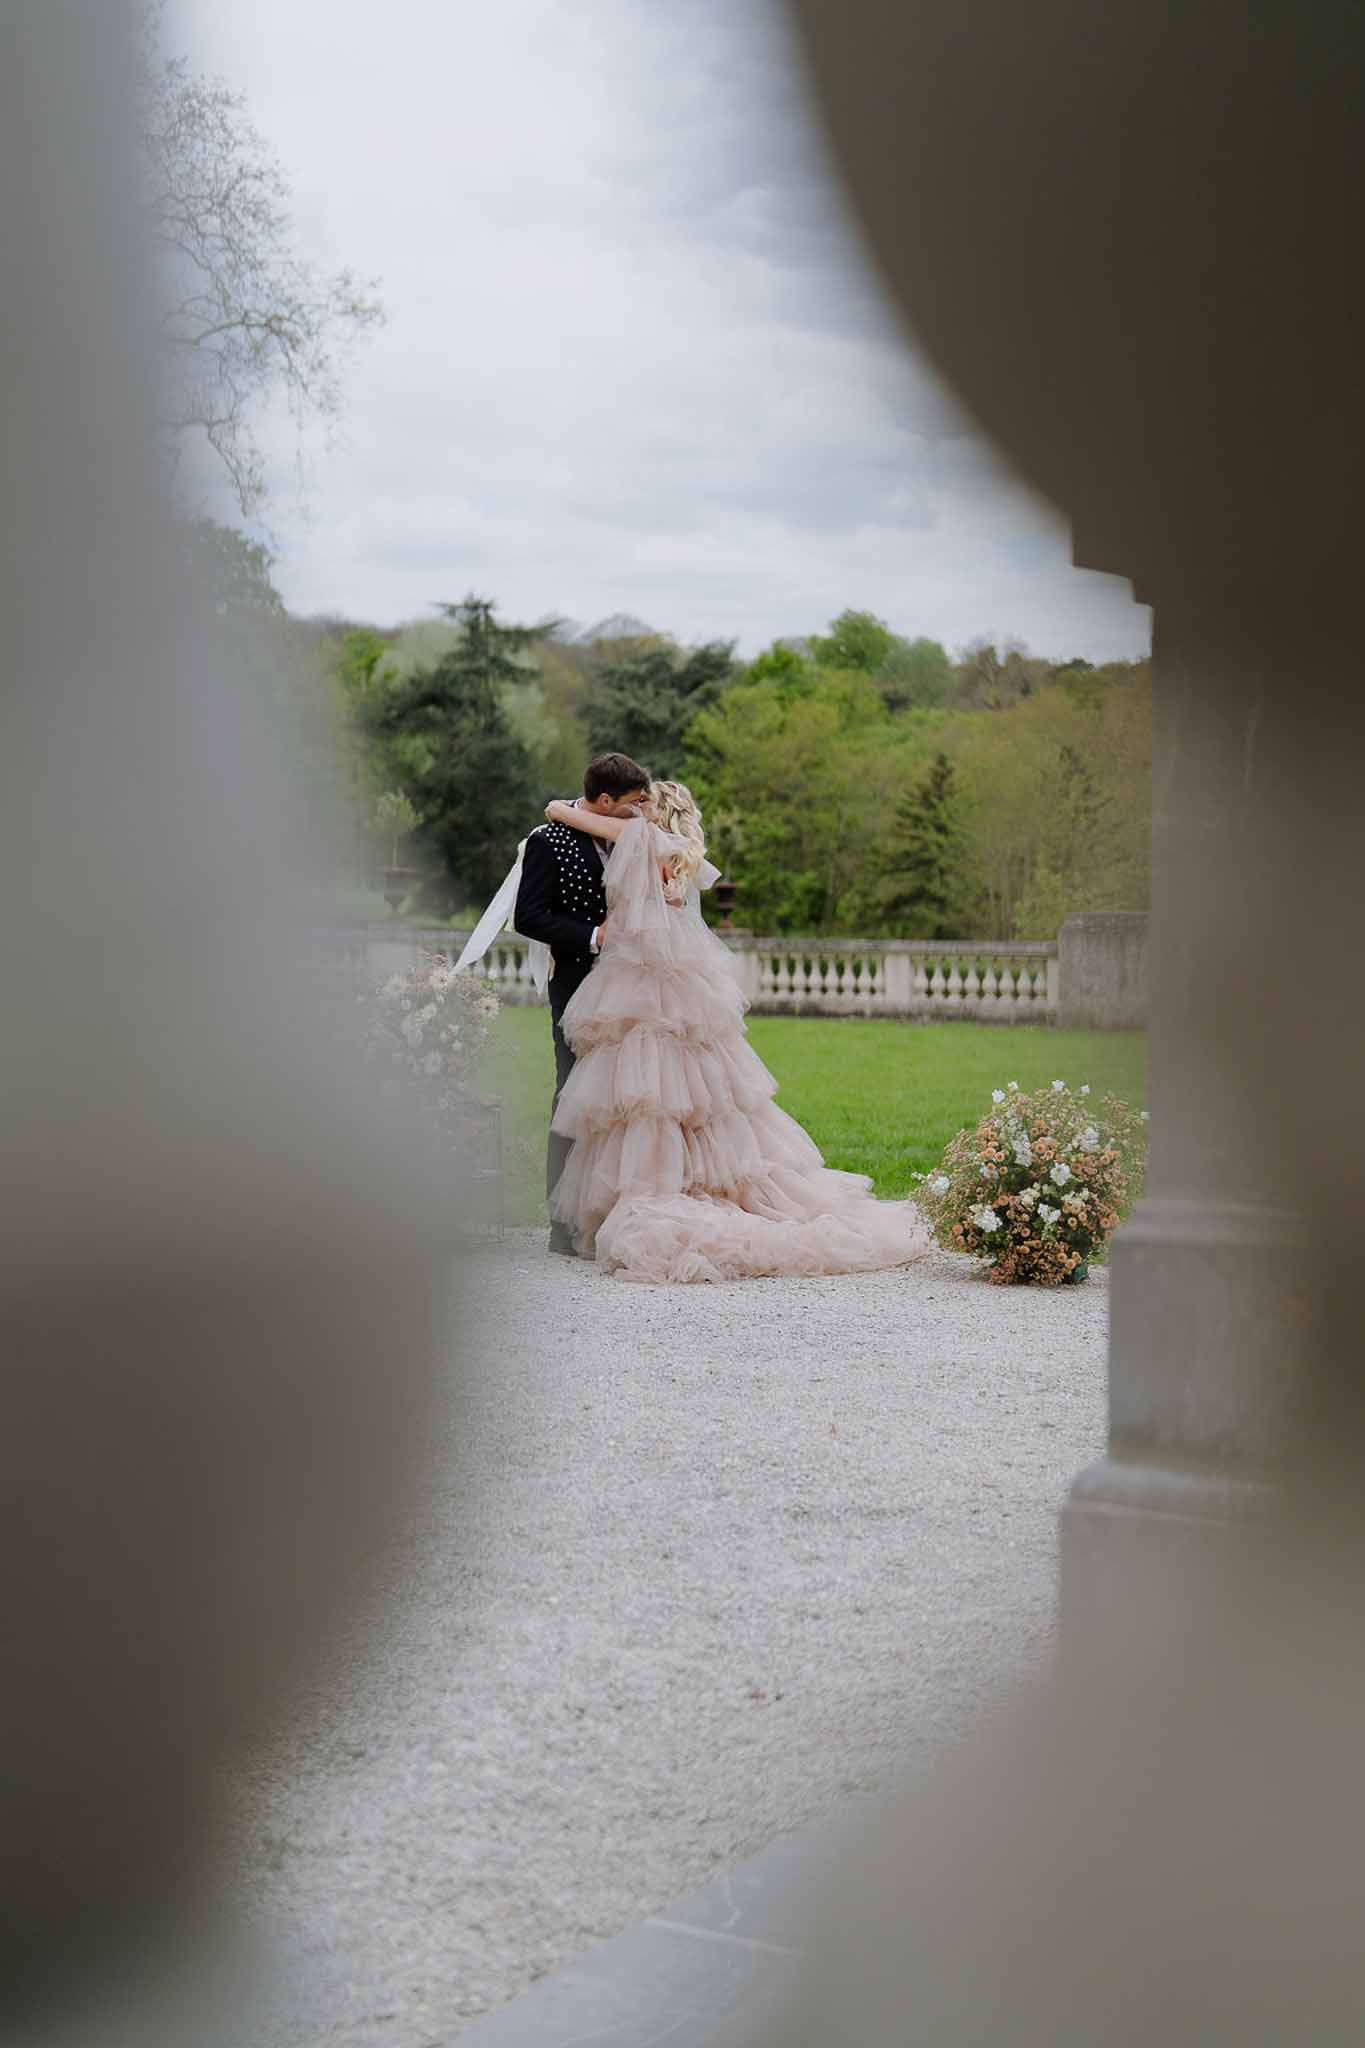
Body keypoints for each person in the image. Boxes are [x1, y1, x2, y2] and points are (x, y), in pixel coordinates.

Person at [543, 781, 931, 1282]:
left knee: (648, 1093)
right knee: (699, 1091)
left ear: (654, 812)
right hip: (681, 977)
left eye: (644, 802)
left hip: (638, 978)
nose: (635, 808)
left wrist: (560, 807)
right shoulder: (684, 851)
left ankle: (655, 1183)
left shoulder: (640, 837)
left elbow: (579, 818)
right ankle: (700, 1174)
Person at [513, 752, 651, 1256]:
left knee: (626, 1101)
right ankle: (560, 1223)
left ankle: (609, 1213)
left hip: (634, 993)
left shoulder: (632, 836)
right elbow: (528, 916)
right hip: (576, 987)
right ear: (605, 799)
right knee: (572, 1096)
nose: (640, 812)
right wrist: (594, 935)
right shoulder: (548, 841)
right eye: (631, 803)